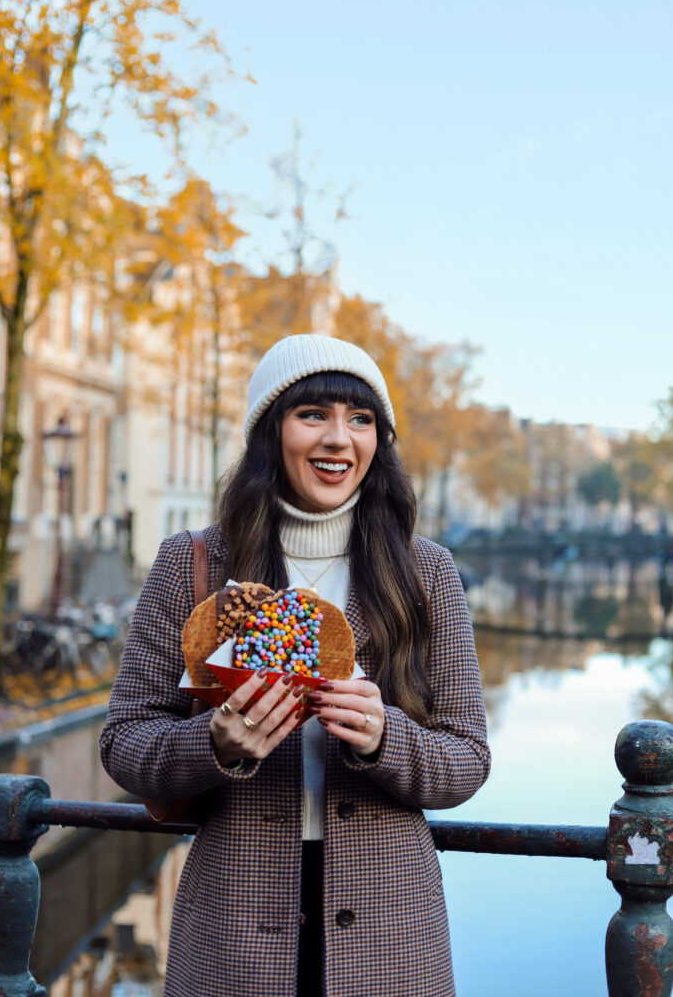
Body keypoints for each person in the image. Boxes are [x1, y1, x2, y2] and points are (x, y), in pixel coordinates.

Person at [100, 334, 490, 997]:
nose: (339, 439)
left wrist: (383, 738)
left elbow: (467, 758)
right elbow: (124, 742)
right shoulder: (192, 564)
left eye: (360, 420)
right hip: (232, 931)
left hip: (392, 937)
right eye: (313, 415)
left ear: (377, 442)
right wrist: (213, 741)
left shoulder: (426, 572)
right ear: (269, 432)